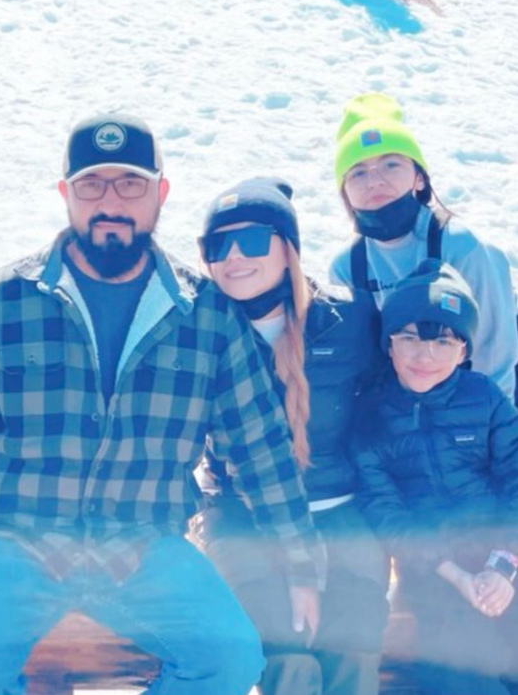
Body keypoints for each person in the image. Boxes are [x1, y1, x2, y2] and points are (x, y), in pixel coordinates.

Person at [0, 113, 325, 695]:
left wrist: (301, 566)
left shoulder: (205, 315)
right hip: (16, 545)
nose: (111, 201)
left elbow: (260, 450)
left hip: (142, 549)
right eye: (91, 185)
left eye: (130, 183)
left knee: (230, 661)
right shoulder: (1, 303)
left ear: (161, 192)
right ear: (65, 195)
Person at [193, 177, 389, 695]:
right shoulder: (198, 334)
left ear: (288, 247)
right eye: (218, 245)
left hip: (339, 510)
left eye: (253, 240)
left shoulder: (349, 321)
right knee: (286, 653)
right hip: (244, 516)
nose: (234, 256)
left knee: (351, 653)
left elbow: (388, 414)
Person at [354, 259, 518, 695]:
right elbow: (385, 511)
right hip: (433, 576)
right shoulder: (371, 415)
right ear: (389, 344)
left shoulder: (485, 398)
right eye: (409, 338)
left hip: (504, 559)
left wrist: (502, 568)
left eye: (444, 341)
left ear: (464, 350)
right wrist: (457, 576)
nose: (425, 356)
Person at [329, 91, 518, 399]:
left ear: (419, 177)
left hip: (483, 398)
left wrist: (492, 430)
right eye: (358, 172)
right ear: (345, 191)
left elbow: (496, 353)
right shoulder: (347, 266)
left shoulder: (460, 245)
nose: (374, 180)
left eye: (391, 165)